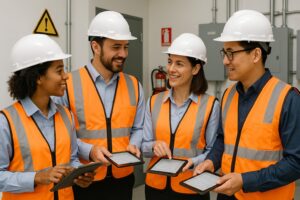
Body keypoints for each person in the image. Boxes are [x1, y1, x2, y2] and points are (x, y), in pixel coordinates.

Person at [194, 9, 300, 200]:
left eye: (231, 53)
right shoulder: (228, 95)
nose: (225, 61)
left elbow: (295, 163)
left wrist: (245, 180)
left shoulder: (288, 98)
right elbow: (222, 139)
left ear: (256, 54)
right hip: (226, 195)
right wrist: (211, 161)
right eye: (224, 53)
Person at [53, 10, 145, 200]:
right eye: (116, 47)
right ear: (95, 46)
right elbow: (59, 136)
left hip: (123, 180)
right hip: (84, 180)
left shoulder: (134, 85)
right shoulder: (68, 84)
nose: (123, 54)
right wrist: (90, 151)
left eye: (126, 47)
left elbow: (139, 127)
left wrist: (134, 144)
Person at [0, 34, 94, 200]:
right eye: (59, 71)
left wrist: (79, 175)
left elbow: (71, 159)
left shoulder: (66, 115)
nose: (66, 76)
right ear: (38, 77)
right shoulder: (6, 121)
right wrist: (36, 177)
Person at [142, 33, 220, 200]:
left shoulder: (211, 105)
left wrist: (195, 161)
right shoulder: (153, 102)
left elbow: (213, 151)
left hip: (191, 189)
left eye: (179, 64)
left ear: (196, 68)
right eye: (170, 61)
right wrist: (153, 145)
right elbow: (143, 146)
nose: (171, 69)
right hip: (155, 188)